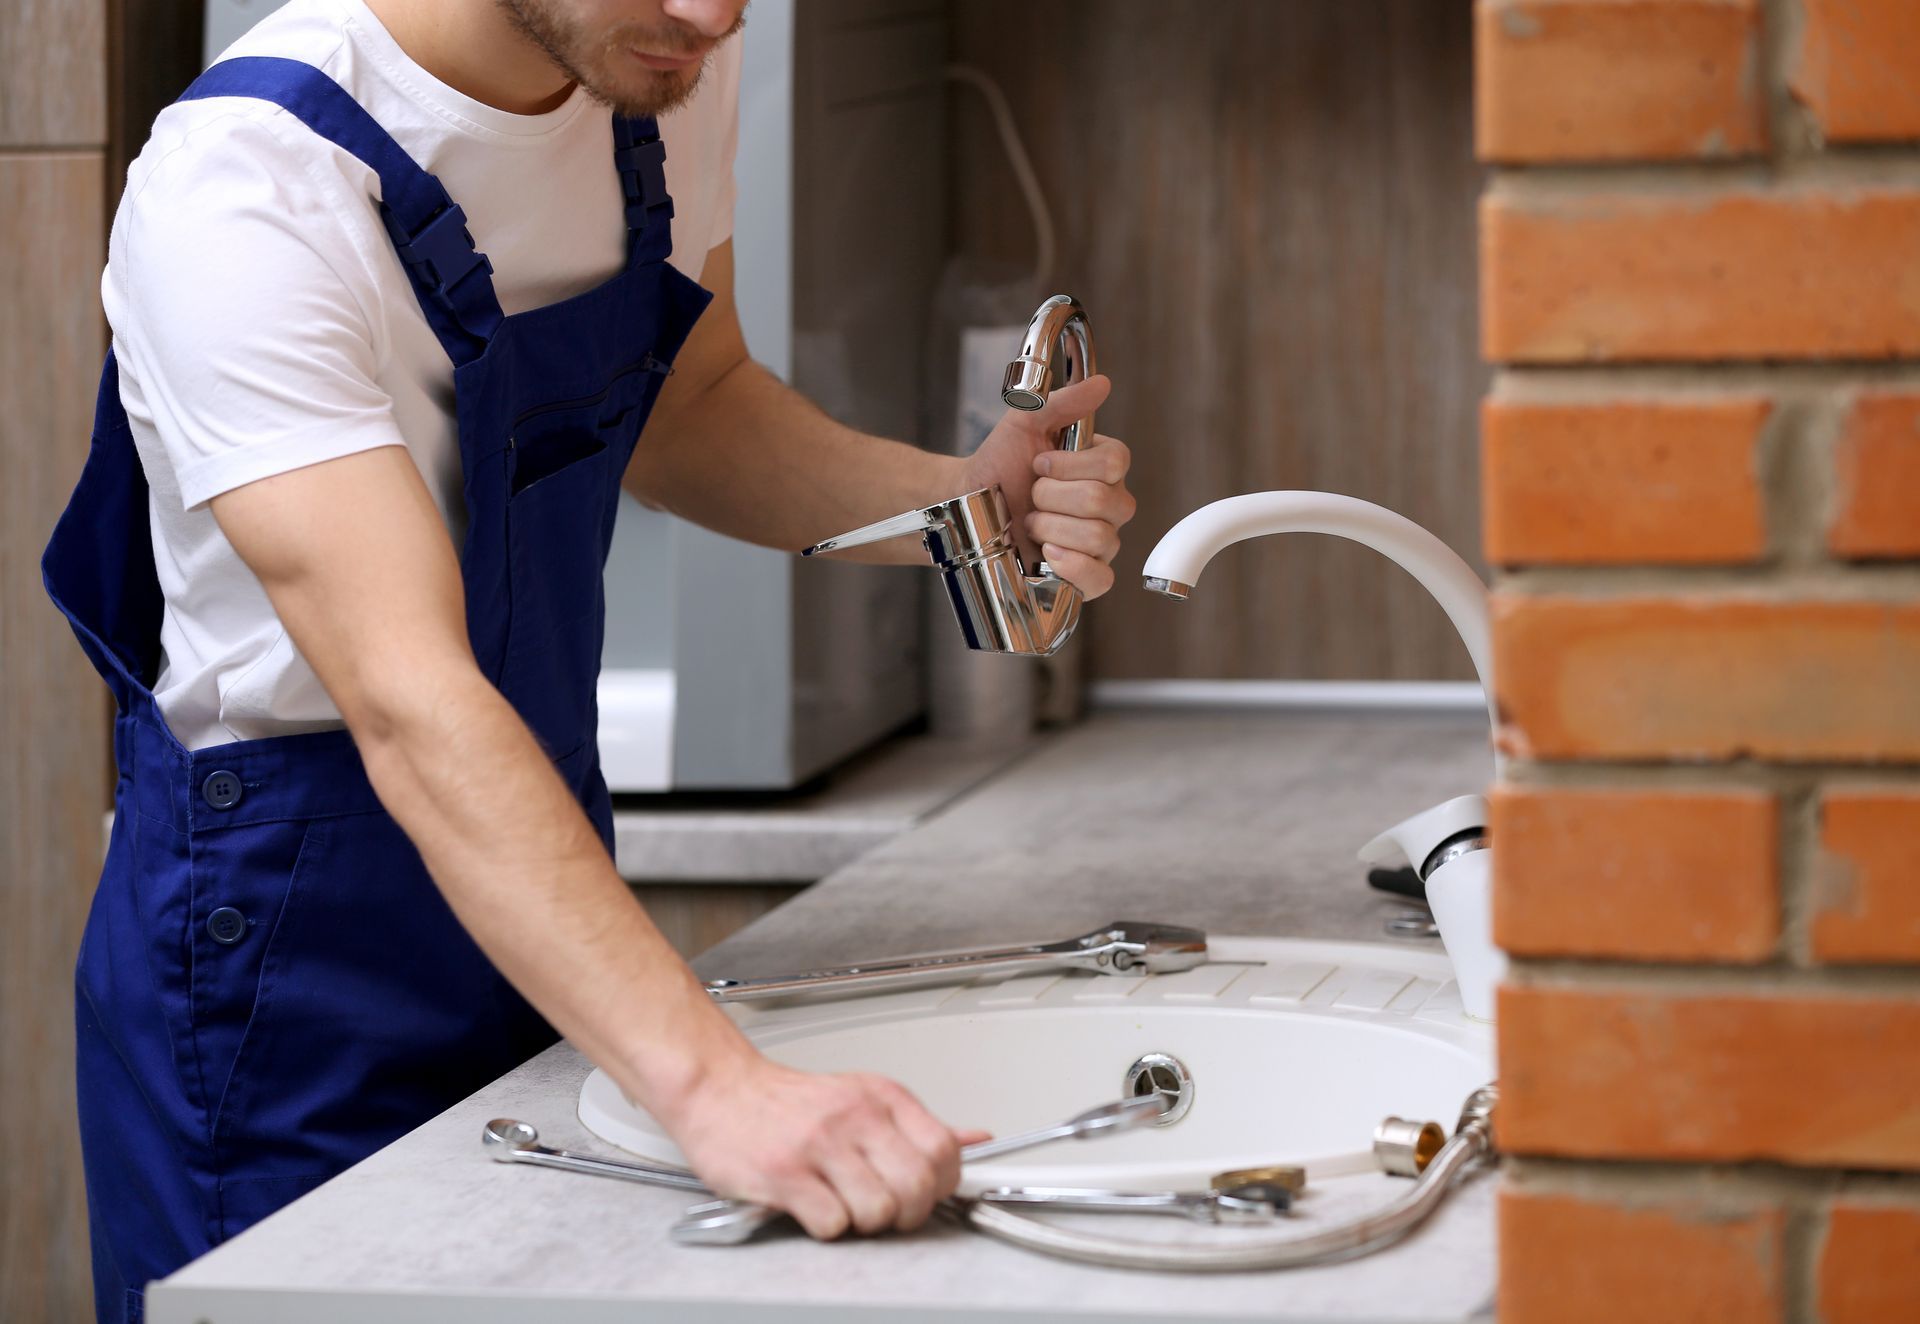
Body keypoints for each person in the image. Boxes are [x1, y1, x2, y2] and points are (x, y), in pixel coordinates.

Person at [42, 1, 1137, 1318]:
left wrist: (965, 505)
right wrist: (716, 1086)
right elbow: (408, 696)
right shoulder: (248, 183)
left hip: (539, 872)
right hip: (285, 963)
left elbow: (697, 409)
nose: (715, 13)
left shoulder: (651, 65)